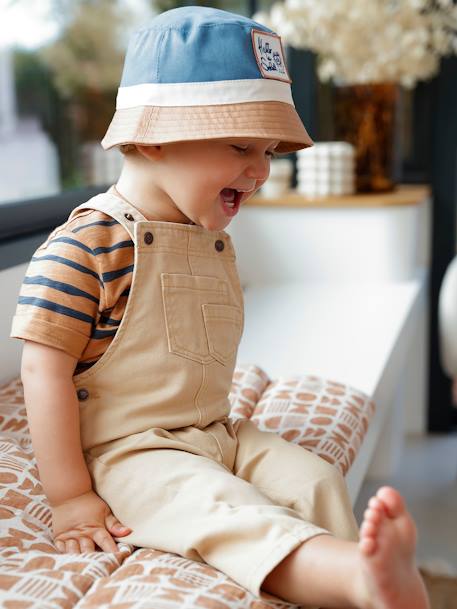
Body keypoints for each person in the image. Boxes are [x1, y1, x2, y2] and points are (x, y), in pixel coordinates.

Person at [11, 6, 429, 609]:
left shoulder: (206, 235)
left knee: (313, 479)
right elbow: (41, 370)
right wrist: (70, 496)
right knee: (227, 511)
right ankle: (357, 581)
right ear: (152, 134)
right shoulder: (87, 247)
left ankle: (358, 576)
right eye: (240, 146)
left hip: (216, 430)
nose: (260, 171)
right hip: (131, 451)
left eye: (267, 151)